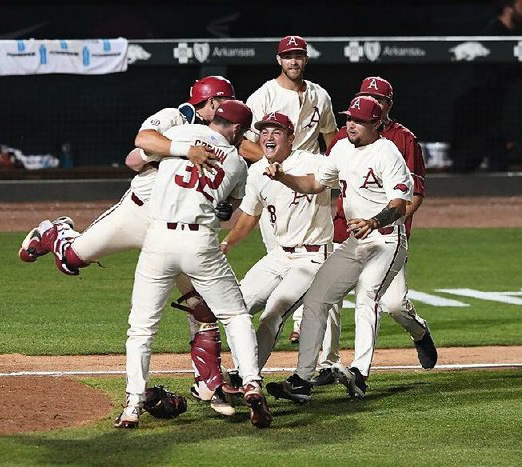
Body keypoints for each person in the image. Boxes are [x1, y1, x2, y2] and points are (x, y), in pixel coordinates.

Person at [18, 76, 244, 417]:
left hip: (176, 231)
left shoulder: (224, 140)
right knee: (70, 259)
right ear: (211, 103)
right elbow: (134, 157)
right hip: (137, 213)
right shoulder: (174, 118)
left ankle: (208, 384)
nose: (224, 111)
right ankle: (56, 232)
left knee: (202, 305)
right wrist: (180, 152)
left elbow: (242, 159)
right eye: (221, 103)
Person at [113, 99, 274, 429]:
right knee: (235, 315)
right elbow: (232, 202)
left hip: (159, 239)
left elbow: (142, 143)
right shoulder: (237, 162)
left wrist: (182, 149)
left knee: (142, 327)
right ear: (240, 130)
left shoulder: (182, 131)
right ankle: (251, 384)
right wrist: (225, 204)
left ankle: (132, 405)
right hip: (200, 243)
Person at [264, 96, 413, 402]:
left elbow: (400, 204)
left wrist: (374, 220)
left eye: (358, 120)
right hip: (357, 242)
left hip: (386, 240)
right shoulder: (341, 148)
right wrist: (283, 177)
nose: (351, 124)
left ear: (376, 124)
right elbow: (314, 184)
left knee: (367, 295)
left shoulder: (388, 152)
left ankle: (359, 373)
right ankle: (302, 381)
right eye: (349, 118)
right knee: (317, 298)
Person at [312, 76, 437, 388]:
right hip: (347, 230)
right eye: (366, 97)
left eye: (378, 99)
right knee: (332, 297)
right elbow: (323, 182)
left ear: (388, 106)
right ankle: (330, 364)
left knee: (394, 304)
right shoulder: (344, 138)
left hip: (386, 235)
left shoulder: (402, 140)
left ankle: (419, 332)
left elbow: (414, 193)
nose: (372, 103)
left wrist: (386, 225)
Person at [216, 112, 333, 372]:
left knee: (273, 313)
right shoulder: (256, 171)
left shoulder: (314, 162)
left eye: (276, 132)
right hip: (279, 256)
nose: (268, 136)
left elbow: (314, 185)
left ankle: (247, 375)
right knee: (236, 307)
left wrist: (283, 177)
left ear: (291, 138)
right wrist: (227, 243)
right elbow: (249, 216)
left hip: (312, 257)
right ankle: (241, 369)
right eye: (264, 132)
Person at [240, 34, 338, 343]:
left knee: (313, 248)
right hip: (274, 181)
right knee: (280, 250)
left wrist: (333, 172)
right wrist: (273, 164)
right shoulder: (263, 96)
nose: (293, 60)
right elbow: (243, 142)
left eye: (298, 55)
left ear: (306, 59)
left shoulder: (319, 95)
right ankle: (282, 312)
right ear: (279, 60)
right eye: (288, 55)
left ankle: (301, 322)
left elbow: (331, 136)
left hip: (311, 182)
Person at [450, 0, 522, 172]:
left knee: (498, 166)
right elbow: (496, 72)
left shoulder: (508, 34)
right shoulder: (494, 33)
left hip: (489, 113)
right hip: (472, 114)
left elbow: (510, 70)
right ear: (509, 8)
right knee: (464, 168)